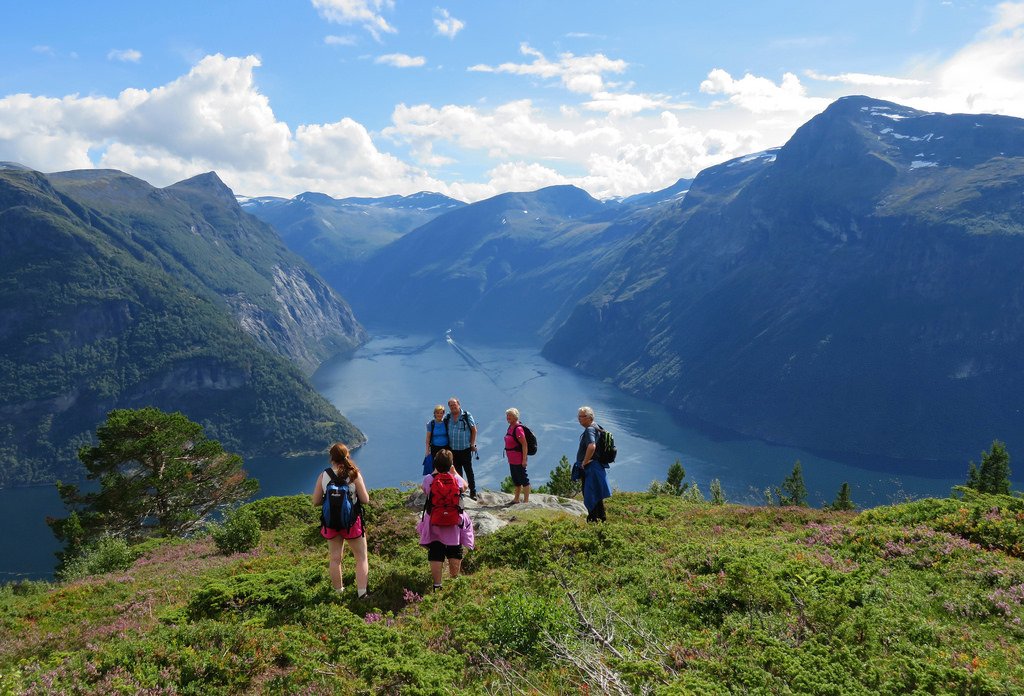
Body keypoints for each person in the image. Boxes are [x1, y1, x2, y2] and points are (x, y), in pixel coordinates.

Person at [311, 442, 371, 597]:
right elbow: (365, 499)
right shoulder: (354, 474)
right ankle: (362, 594)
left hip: (331, 523)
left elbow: (315, 501)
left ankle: (338, 593)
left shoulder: (325, 475)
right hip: (351, 523)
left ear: (331, 457)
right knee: (361, 558)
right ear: (347, 455)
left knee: (335, 558)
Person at [418, 449, 471, 591]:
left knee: (436, 552)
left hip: (435, 521)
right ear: (450, 464)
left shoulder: (429, 479)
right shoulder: (455, 479)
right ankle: (455, 583)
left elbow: (425, 490)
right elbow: (465, 486)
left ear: (435, 463)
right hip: (453, 521)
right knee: (455, 549)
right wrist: (454, 472)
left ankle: (437, 585)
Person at [576, 406, 611, 522]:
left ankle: (593, 522)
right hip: (597, 468)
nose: (579, 419)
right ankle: (601, 521)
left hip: (591, 469)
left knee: (590, 495)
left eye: (582, 416)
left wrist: (585, 462)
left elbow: (592, 446)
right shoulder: (597, 427)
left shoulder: (590, 429)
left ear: (590, 417)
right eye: (579, 416)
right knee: (596, 496)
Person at [445, 396, 478, 499]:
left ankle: (473, 491)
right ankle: (460, 491)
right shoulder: (448, 417)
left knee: (469, 470)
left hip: (465, 449)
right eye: (450, 405)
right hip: (453, 449)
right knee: (457, 472)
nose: (453, 407)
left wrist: (472, 444)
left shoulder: (466, 415)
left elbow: (474, 430)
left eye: (454, 404)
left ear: (458, 404)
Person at [503, 407, 530, 504]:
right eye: (507, 415)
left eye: (510, 415)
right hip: (512, 459)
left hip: (518, 459)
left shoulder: (518, 429)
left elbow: (524, 444)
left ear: (515, 417)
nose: (508, 417)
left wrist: (524, 459)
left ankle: (526, 501)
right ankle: (516, 499)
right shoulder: (510, 427)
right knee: (516, 480)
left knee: (524, 480)